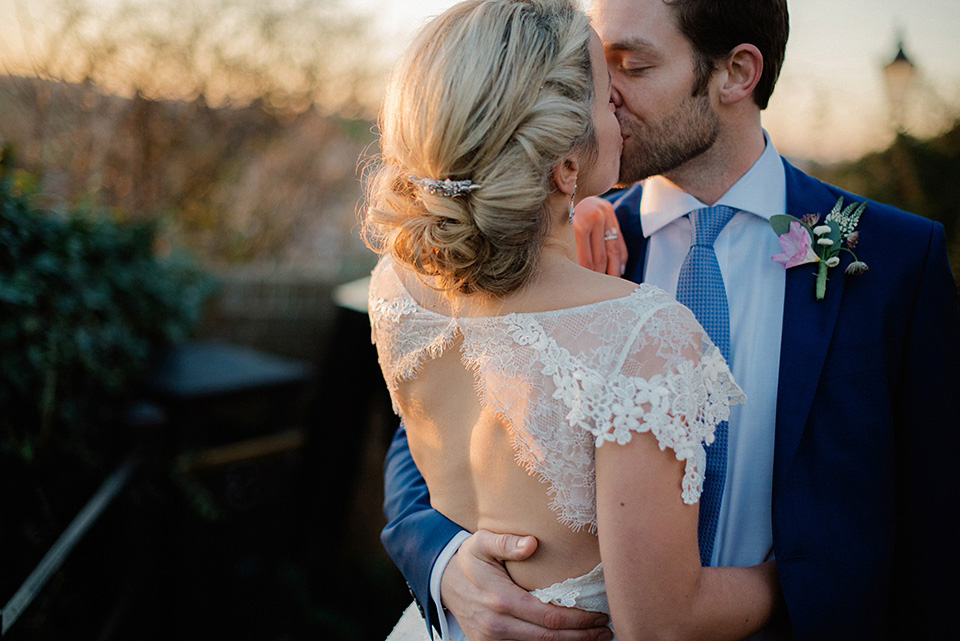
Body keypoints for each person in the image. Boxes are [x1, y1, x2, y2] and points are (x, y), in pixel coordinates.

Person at [380, 1, 960, 640]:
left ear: (735, 74)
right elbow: (430, 425)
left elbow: (937, 511)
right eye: (594, 67)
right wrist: (445, 563)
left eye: (631, 65)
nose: (598, 96)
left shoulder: (892, 260)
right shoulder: (546, 238)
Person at [367, 1, 785, 640]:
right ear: (564, 165)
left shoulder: (394, 285)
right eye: (599, 88)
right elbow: (664, 623)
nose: (613, 101)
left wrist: (564, 216)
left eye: (632, 66)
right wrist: (802, 572)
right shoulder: (642, 334)